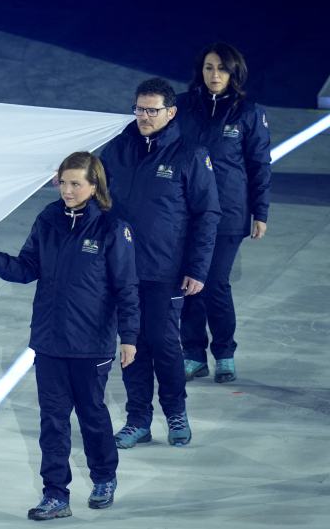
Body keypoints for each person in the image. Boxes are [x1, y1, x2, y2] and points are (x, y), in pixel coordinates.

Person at [0, 152, 139, 521]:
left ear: (94, 185)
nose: (67, 190)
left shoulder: (112, 228)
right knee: (53, 422)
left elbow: (126, 288)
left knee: (92, 415)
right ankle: (55, 494)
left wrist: (129, 337)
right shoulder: (48, 219)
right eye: (63, 182)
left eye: (76, 183)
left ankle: (104, 477)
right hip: (50, 341)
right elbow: (27, 268)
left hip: (90, 345)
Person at [100, 78, 220, 449]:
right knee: (131, 344)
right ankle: (138, 420)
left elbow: (207, 214)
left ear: (171, 113)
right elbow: (94, 190)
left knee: (165, 344)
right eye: (140, 109)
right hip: (122, 269)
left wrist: (198, 268)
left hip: (166, 271)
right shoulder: (117, 148)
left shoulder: (190, 155)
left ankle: (176, 413)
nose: (145, 116)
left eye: (153, 110)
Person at [176, 43, 271, 384]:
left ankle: (225, 353)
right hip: (186, 212)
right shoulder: (182, 106)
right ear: (200, 71)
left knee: (214, 283)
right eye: (209, 67)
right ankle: (193, 355)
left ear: (234, 73)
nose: (215, 75)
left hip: (228, 213)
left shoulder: (248, 113)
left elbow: (260, 165)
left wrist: (260, 212)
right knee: (188, 284)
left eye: (222, 68)